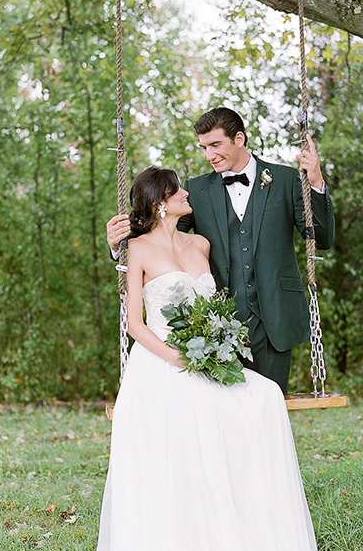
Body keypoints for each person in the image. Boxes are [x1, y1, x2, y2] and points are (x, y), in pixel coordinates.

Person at [62, 166, 332, 551]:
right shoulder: (138, 250)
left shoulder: (200, 244)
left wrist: (214, 348)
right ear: (160, 202)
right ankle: (191, 547)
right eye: (177, 190)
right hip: (161, 361)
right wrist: (179, 359)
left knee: (265, 396)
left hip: (209, 356)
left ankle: (252, 534)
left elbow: (223, 297)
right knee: (193, 421)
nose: (187, 192)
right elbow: (135, 325)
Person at [107, 107, 335, 394]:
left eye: (216, 145)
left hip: (275, 318)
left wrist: (315, 181)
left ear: (239, 139)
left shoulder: (287, 180)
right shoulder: (195, 190)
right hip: (215, 328)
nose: (208, 155)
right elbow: (159, 237)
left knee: (269, 406)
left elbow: (322, 238)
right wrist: (118, 247)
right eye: (203, 147)